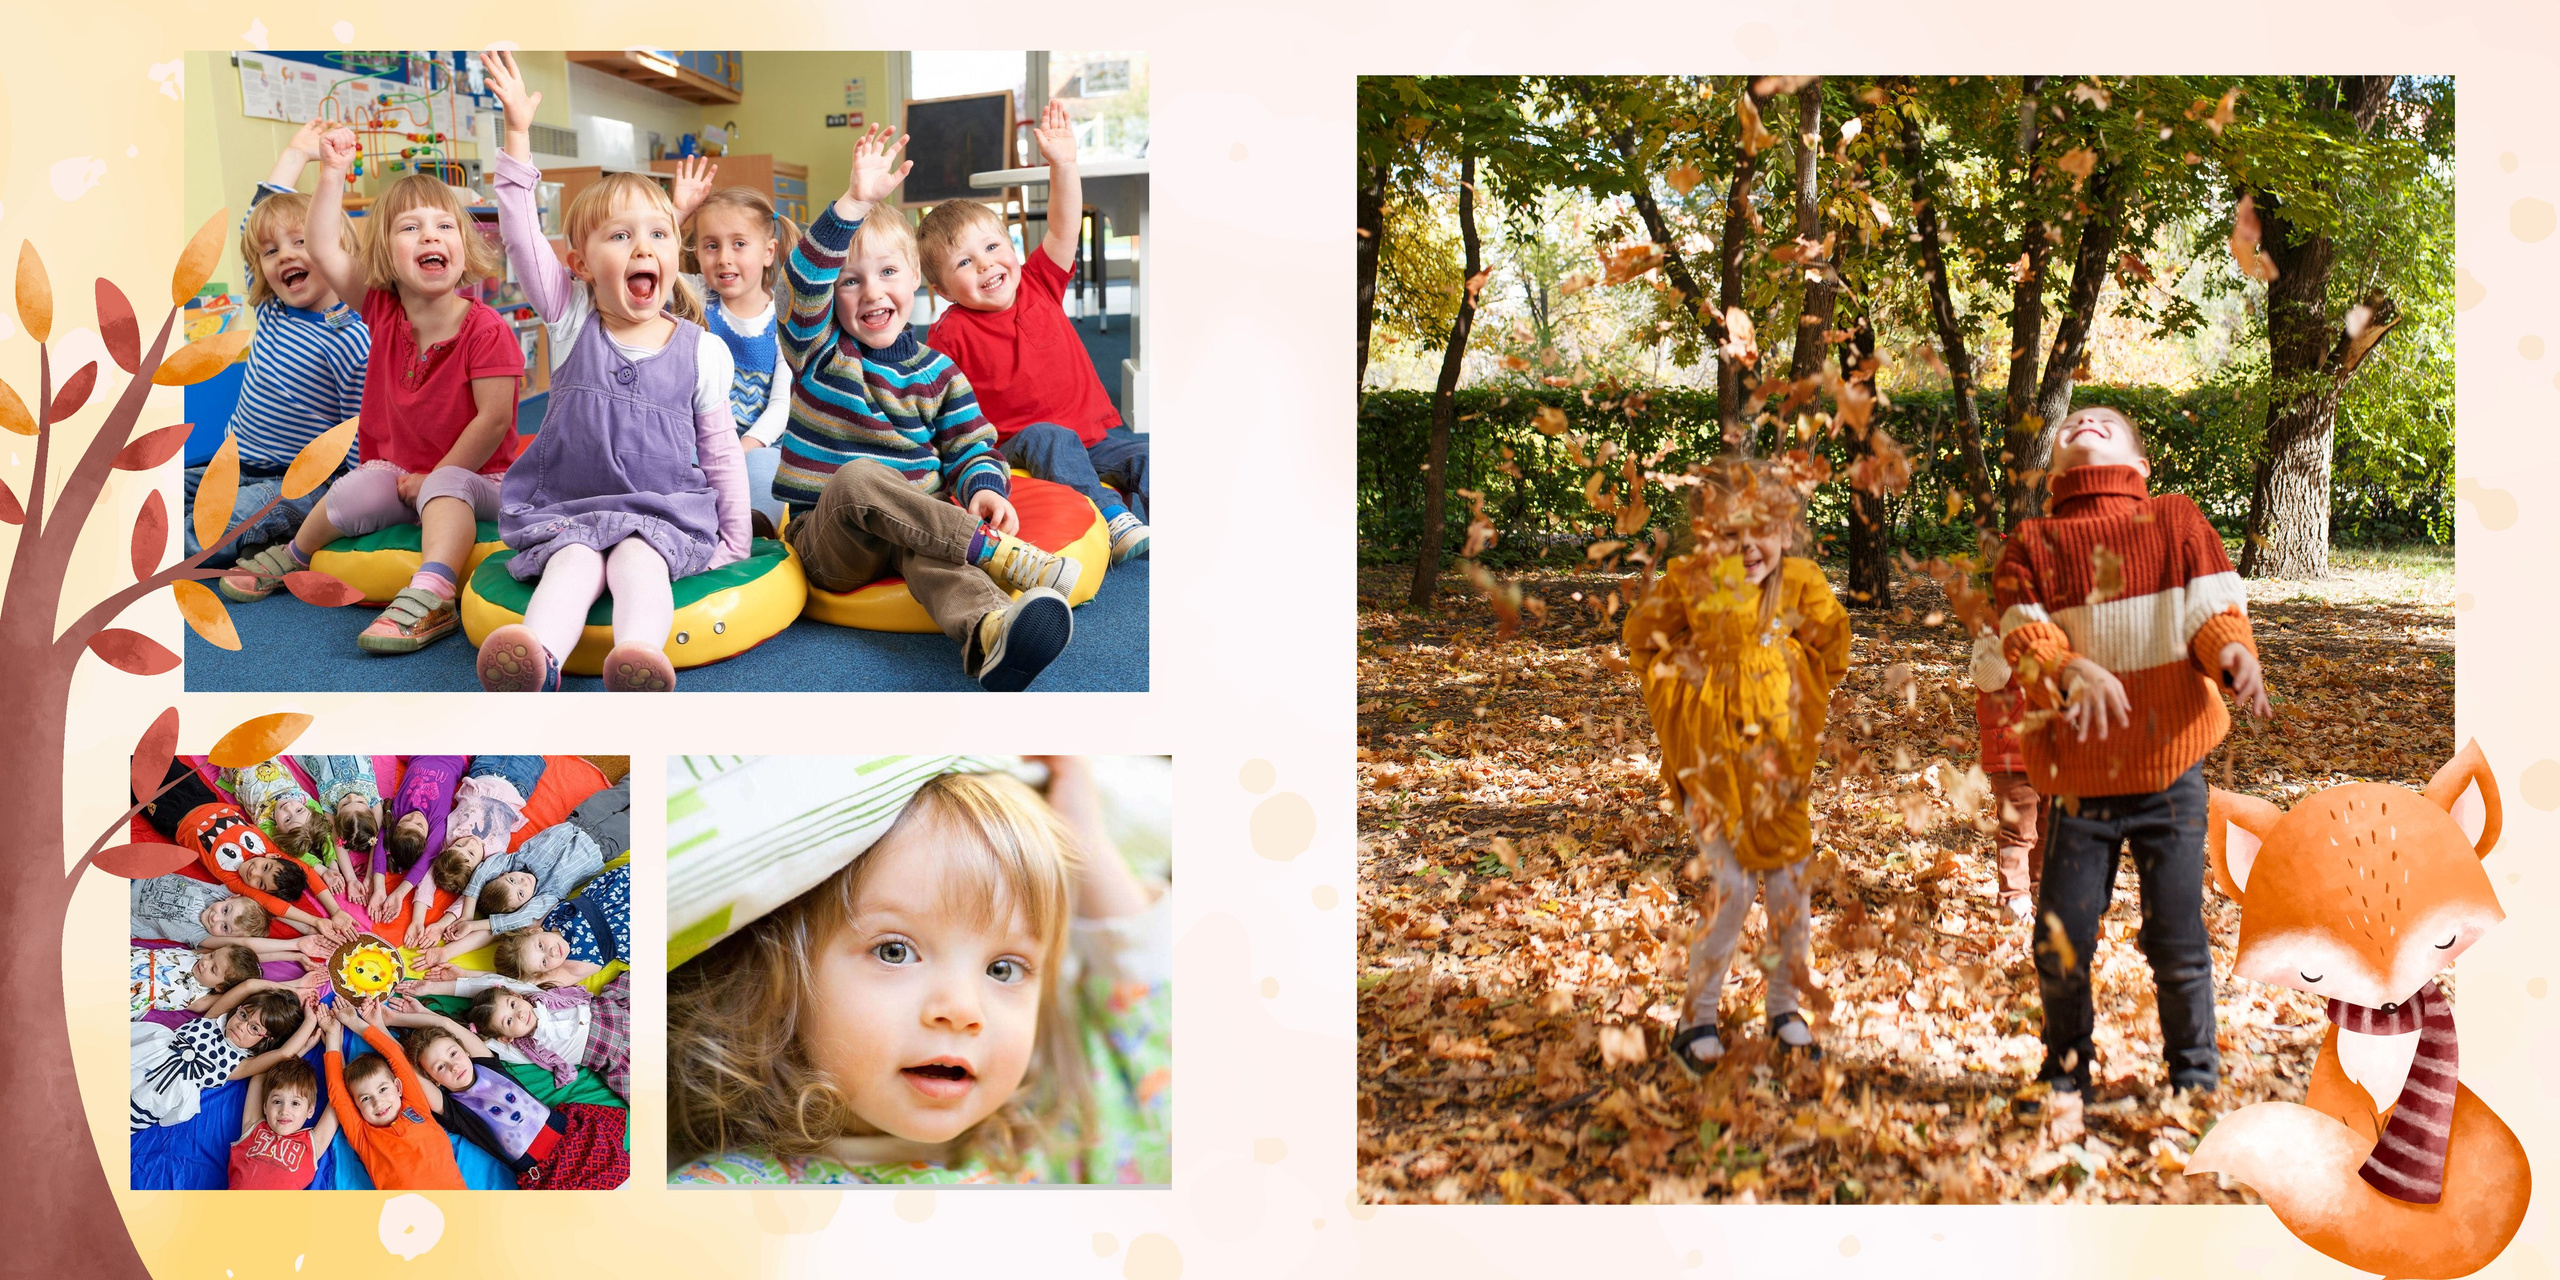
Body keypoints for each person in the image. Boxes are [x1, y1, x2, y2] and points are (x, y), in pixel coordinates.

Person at [667, 763, 1169, 1184]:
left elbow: (1158, 1085)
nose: (962, 1010)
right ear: (780, 977)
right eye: (894, 952)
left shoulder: (1049, 1145)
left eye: (1003, 969)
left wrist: (1088, 847)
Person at [1991, 404, 2271, 1139]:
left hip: (2168, 773)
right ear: (2053, 467)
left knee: (2176, 935)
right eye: (2074, 420)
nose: (2085, 419)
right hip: (2081, 783)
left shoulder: (2175, 521)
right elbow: (2022, 632)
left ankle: (2194, 1075)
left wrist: (2231, 654)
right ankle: (2066, 1069)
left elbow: (2212, 609)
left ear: (2139, 465)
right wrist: (2066, 667)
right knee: (2060, 938)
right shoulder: (2032, 543)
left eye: (2104, 421)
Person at [471, 50, 751, 693]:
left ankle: (638, 655)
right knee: (571, 564)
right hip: (570, 508)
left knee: (637, 562)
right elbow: (519, 234)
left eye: (659, 235)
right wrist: (517, 136)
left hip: (659, 514)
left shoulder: (702, 350)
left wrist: (734, 541)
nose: (643, 247)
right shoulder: (571, 318)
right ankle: (539, 657)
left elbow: (720, 452)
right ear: (580, 264)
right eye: (620, 237)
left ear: (675, 254)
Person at [772, 125, 1082, 692]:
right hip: (833, 541)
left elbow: (970, 446)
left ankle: (991, 633)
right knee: (860, 477)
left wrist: (984, 488)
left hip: (917, 526)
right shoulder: (818, 353)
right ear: (831, 294)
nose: (872, 293)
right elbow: (800, 285)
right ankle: (997, 554)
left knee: (934, 552)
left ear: (917, 277)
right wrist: (852, 204)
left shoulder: (940, 372)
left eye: (889, 272)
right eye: (850, 282)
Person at [218, 124, 524, 655]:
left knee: (445, 489)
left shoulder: (487, 329)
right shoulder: (381, 310)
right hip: (400, 475)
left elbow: (493, 420)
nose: (430, 237)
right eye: (410, 228)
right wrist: (332, 172)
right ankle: (294, 554)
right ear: (384, 252)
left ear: (463, 244)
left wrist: (436, 476)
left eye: (444, 226)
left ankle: (432, 594)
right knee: (352, 489)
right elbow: (321, 245)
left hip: (479, 479)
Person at [1622, 455, 1850, 1070]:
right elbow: (1644, 640)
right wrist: (1683, 700)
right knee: (1733, 887)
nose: (1748, 546)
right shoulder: (1690, 581)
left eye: (1761, 531)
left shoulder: (1798, 583)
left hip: (1777, 768)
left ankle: (1784, 1007)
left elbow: (1831, 647)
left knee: (1789, 889)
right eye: (1729, 532)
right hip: (1713, 766)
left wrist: (1794, 687)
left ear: (1785, 530)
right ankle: (1696, 1017)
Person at [921, 100, 1149, 563]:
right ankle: (1111, 517)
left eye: (992, 247)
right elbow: (937, 407)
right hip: (1019, 448)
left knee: (1149, 454)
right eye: (964, 262)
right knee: (1050, 436)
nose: (985, 264)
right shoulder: (949, 333)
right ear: (941, 289)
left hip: (1096, 439)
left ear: (1012, 245)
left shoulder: (1039, 281)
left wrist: (1063, 164)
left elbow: (1064, 229)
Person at [186, 115, 368, 568]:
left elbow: (357, 433)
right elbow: (255, 222)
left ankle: (143, 560)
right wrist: (295, 155)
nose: (284, 255)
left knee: (220, 523)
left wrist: (353, 505)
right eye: (272, 252)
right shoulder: (272, 306)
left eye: (301, 242)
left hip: (295, 483)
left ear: (333, 250)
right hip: (230, 466)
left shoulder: (351, 336)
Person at [669, 159, 800, 528]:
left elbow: (781, 405)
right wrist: (678, 214)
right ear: (697, 252)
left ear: (768, 251)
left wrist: (741, 451)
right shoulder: (694, 297)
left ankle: (756, 527)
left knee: (767, 470)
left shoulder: (785, 316)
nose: (724, 258)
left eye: (739, 244)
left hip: (758, 444)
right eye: (711, 245)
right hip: (700, 439)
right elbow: (653, 260)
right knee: (675, 459)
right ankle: (687, 521)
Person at [1970, 631, 2045, 921]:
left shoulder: (2056, 616)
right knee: (2018, 827)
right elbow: (1989, 678)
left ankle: (2039, 889)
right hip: (2012, 750)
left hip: (2052, 747)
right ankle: (2015, 896)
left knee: (2048, 825)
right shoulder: (1995, 627)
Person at [229, 1055, 338, 1189]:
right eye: (277, 1101)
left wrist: (333, 1044)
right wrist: (295, 1051)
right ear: (265, 1106)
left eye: (295, 1103)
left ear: (310, 1110)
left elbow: (339, 1096)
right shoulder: (253, 1128)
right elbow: (259, 1073)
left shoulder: (312, 1144)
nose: (284, 1111)